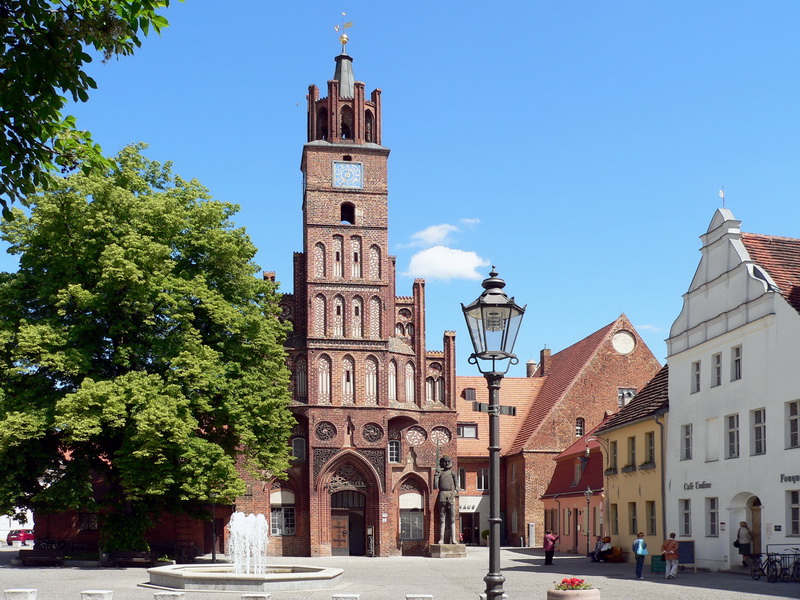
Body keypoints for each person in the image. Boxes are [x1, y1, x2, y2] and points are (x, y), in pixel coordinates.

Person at [434, 455, 460, 544]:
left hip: (451, 495)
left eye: (448, 461)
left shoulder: (453, 474)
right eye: (445, 462)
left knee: (452, 519)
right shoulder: (440, 473)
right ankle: (441, 538)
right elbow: (435, 486)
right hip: (442, 494)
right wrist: (436, 476)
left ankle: (453, 538)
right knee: (442, 519)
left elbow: (457, 488)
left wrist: (453, 495)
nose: (447, 463)